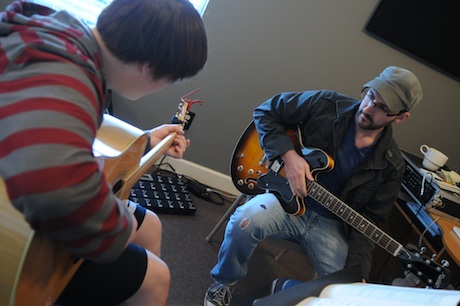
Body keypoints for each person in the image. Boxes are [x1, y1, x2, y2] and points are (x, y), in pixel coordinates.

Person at [0, 0, 207, 305]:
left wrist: (147, 141)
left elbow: (56, 129)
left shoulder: (65, 38)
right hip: (18, 234)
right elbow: (54, 195)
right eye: (170, 79)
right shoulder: (68, 80)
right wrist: (113, 218)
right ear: (148, 68)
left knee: (149, 225)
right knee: (157, 278)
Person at [204, 66, 423, 306]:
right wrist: (289, 156)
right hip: (283, 198)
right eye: (371, 95)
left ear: (400, 117)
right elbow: (266, 112)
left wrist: (358, 272)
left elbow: (370, 221)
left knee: (346, 295)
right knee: (244, 221)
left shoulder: (392, 166)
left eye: (382, 108)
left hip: (331, 226)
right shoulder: (327, 104)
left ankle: (287, 289)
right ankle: (223, 285)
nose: (368, 108)